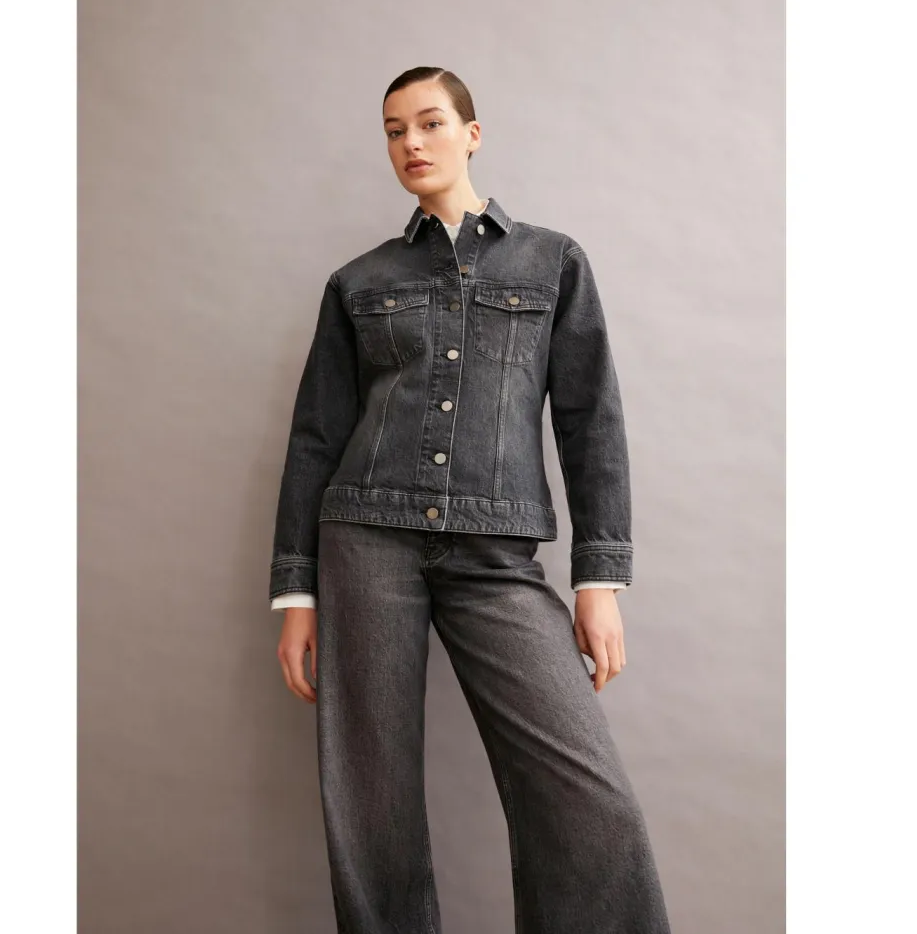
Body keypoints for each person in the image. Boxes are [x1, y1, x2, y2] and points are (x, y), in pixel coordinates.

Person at [269, 66, 672, 933]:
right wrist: (296, 594)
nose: (411, 143)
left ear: (472, 133)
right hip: (366, 538)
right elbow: (315, 438)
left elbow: (591, 421)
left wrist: (599, 580)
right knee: (371, 800)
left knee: (590, 800)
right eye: (394, 130)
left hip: (496, 549)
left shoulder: (552, 261)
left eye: (430, 123)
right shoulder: (358, 281)